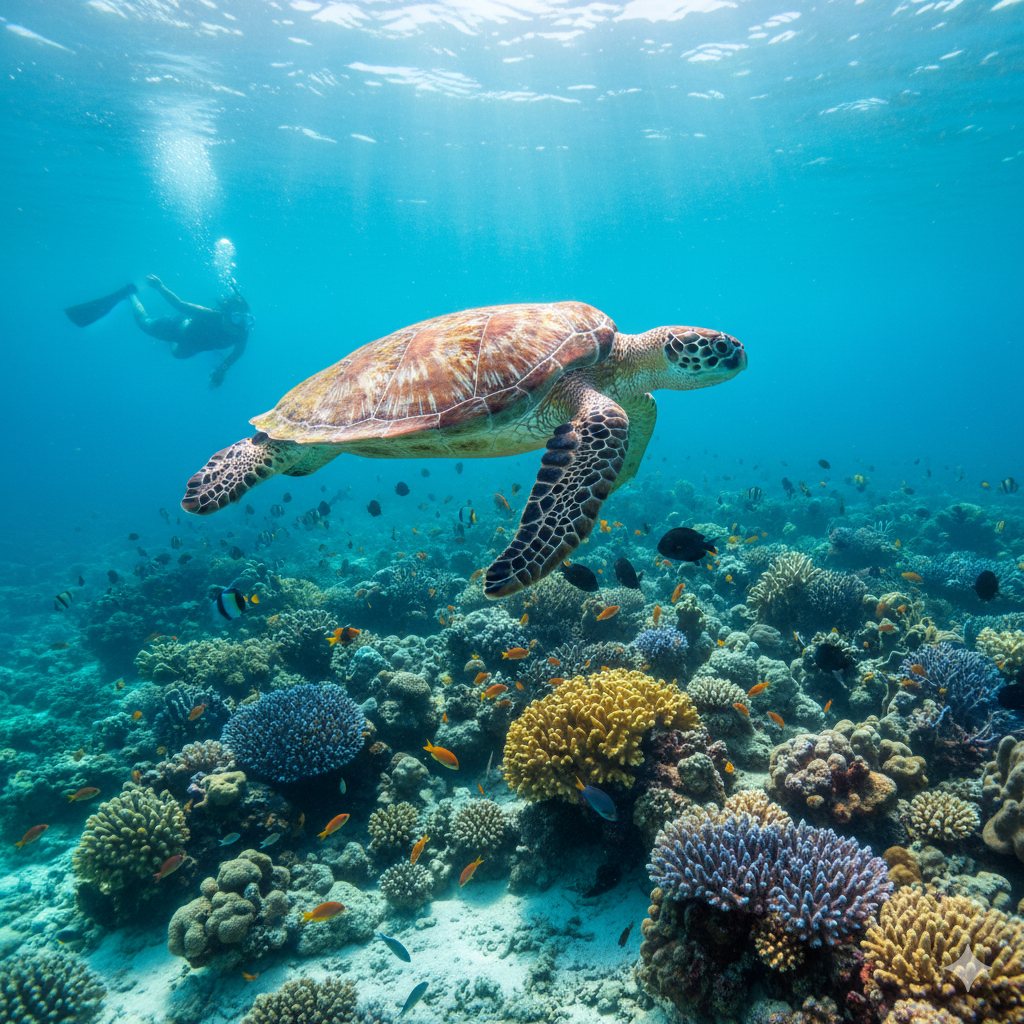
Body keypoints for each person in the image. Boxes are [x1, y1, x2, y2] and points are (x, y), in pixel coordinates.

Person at [129, 276, 253, 388]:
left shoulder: (242, 332)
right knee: (144, 324)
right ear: (225, 315)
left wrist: (222, 369)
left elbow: (237, 353)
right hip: (175, 329)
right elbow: (179, 304)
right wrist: (160, 287)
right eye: (236, 318)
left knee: (177, 355)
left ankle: (170, 342)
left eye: (245, 319)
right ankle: (131, 296)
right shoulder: (211, 315)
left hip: (195, 346)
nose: (240, 325)